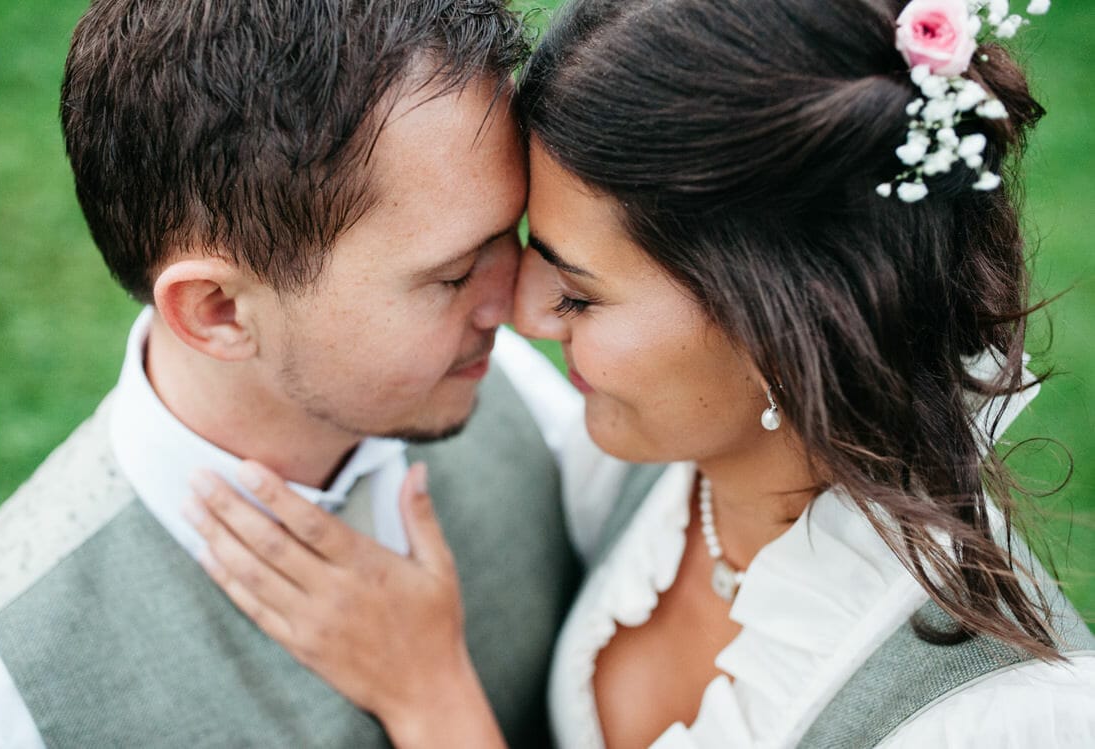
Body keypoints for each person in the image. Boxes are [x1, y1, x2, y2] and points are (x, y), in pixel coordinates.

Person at [187, 0, 1095, 746]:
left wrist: (432, 702)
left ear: (774, 329)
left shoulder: (996, 719)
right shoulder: (637, 461)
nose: (524, 313)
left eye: (578, 295)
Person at [0, 1, 586, 746]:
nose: (516, 305)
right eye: (454, 276)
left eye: (506, 236)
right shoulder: (4, 681)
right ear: (219, 309)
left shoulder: (523, 396)